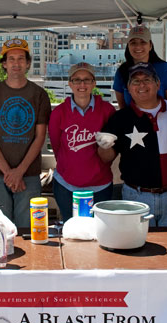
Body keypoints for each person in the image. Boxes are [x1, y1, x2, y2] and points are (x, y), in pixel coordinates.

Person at [97, 62, 167, 227]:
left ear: (158, 84)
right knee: (138, 247)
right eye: (135, 81)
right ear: (128, 89)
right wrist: (104, 146)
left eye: (147, 79)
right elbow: (105, 158)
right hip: (136, 197)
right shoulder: (120, 118)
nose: (141, 85)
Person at [0, 38, 51, 228]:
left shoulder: (39, 95)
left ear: (28, 63)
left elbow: (40, 137)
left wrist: (19, 172)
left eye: (21, 58)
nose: (16, 63)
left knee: (28, 231)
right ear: (4, 64)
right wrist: (9, 173)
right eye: (11, 59)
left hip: (29, 174)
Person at [48, 62, 116, 221]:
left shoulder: (107, 110)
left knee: (99, 233)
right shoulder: (59, 113)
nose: (82, 84)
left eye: (87, 79)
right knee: (71, 232)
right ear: (70, 83)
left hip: (100, 186)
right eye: (77, 80)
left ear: (94, 83)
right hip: (66, 187)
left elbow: (112, 151)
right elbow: (57, 148)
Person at [113, 25, 167, 109]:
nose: (138, 47)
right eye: (133, 42)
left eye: (143, 42)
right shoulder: (121, 71)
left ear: (150, 45)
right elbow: (123, 108)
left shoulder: (165, 69)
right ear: (128, 46)